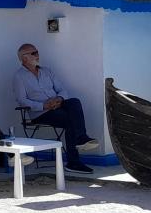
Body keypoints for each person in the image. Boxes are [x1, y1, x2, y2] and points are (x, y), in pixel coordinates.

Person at [11, 44, 97, 174]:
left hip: (57, 105)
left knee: (74, 102)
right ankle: (74, 160)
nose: (37, 55)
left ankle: (81, 138)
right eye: (33, 53)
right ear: (24, 58)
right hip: (40, 113)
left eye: (37, 52)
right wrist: (43, 105)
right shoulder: (19, 76)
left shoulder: (47, 71)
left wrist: (59, 99)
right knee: (69, 120)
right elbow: (22, 100)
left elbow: (62, 89)